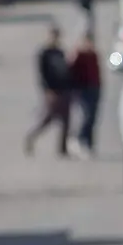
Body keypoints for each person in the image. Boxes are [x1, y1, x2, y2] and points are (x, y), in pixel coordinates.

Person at [25, 25, 72, 157]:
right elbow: (42, 74)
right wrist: (47, 90)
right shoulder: (44, 53)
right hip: (52, 90)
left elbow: (66, 71)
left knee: (66, 121)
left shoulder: (60, 52)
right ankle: (32, 137)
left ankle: (62, 148)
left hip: (64, 90)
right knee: (48, 119)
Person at [69, 31, 102, 158]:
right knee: (86, 116)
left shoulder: (93, 54)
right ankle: (78, 138)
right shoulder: (79, 55)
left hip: (95, 88)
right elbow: (72, 71)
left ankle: (89, 143)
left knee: (93, 118)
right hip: (83, 89)